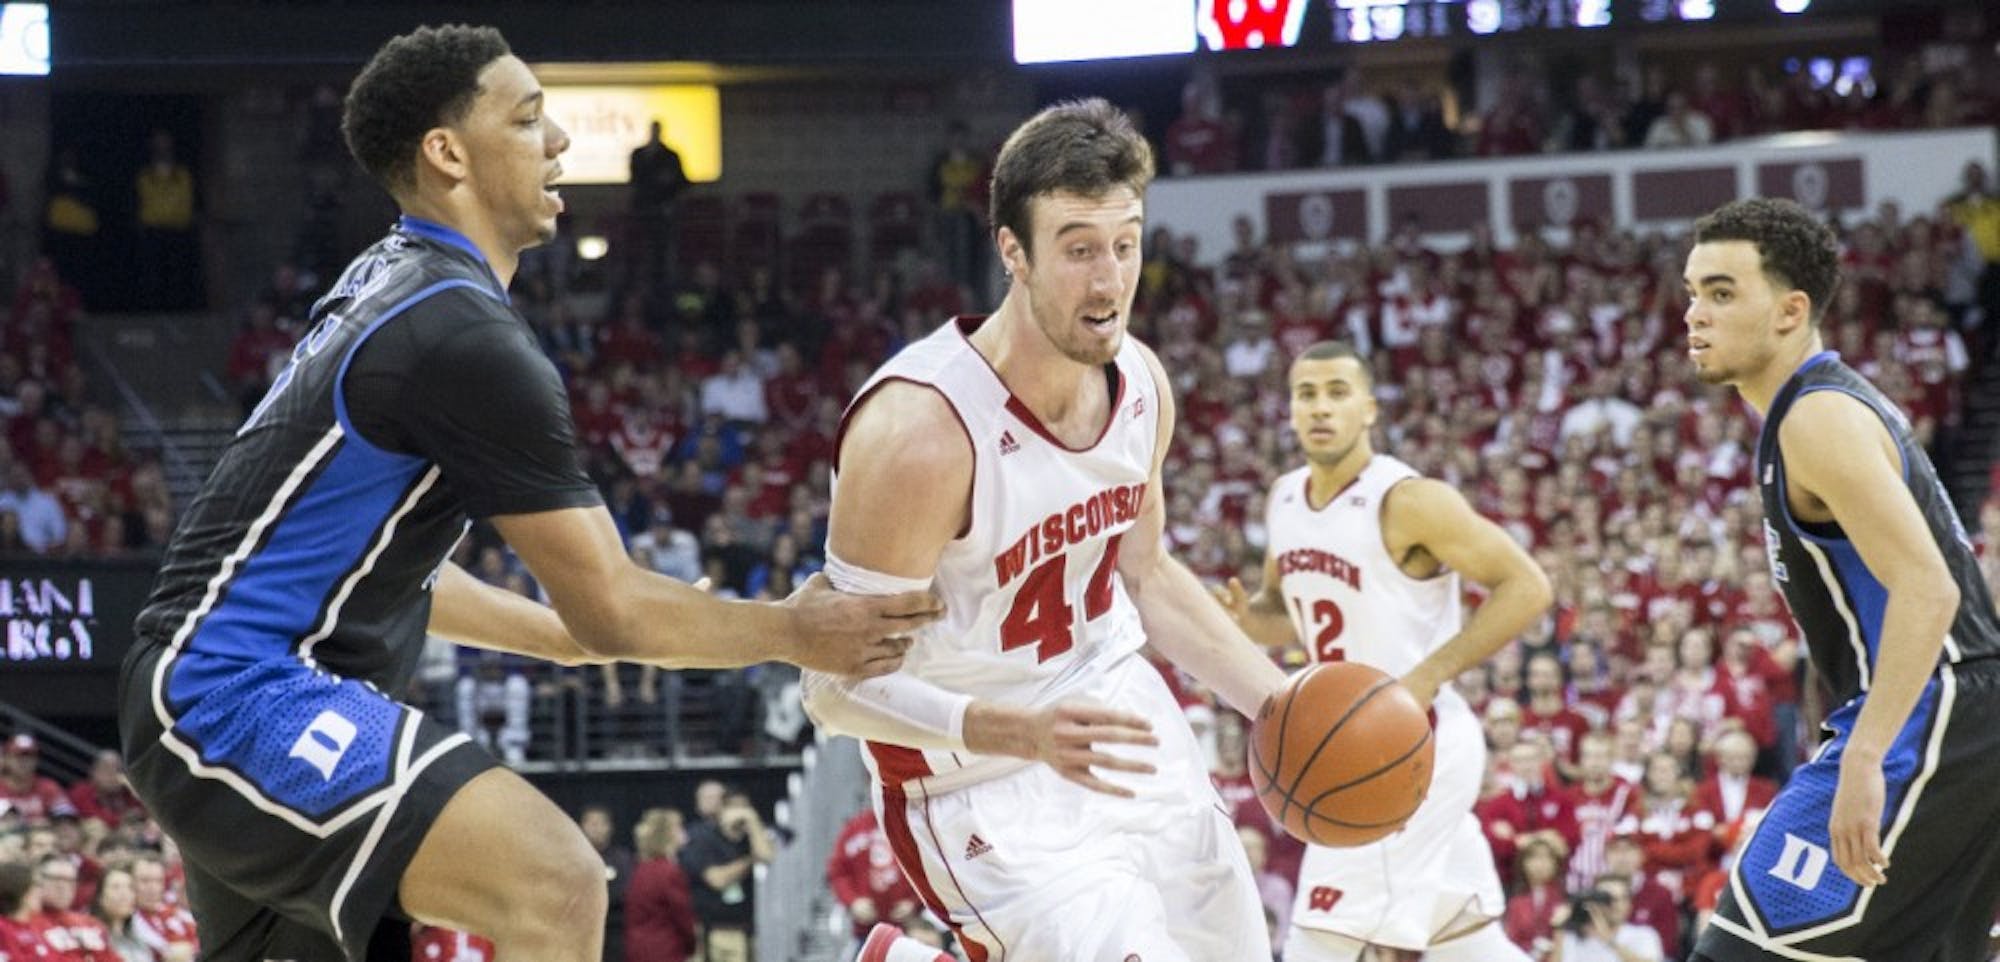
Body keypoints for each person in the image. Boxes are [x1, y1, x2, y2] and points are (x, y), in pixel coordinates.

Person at [113, 25, 936, 962]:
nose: (560, 142)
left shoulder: (397, 282)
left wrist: (558, 637)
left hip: (216, 688)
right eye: (530, 118)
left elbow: (384, 571)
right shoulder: (456, 333)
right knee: (559, 881)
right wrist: (795, 632)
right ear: (447, 152)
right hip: (238, 693)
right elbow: (617, 608)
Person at [803, 98, 1287, 960]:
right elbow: (830, 692)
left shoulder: (1140, 383)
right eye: (1077, 250)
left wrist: (1278, 703)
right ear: (1013, 252)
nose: (1109, 282)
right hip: (977, 773)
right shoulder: (922, 432)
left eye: (1125, 244)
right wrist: (1016, 731)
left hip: (1116, 714)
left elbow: (1145, 574)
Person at [1683, 197, 2000, 961]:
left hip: (1934, 714)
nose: (1696, 314)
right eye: (1693, 293)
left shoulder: (1815, 419)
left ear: (1792, 310)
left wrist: (1863, 756)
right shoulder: (1829, 404)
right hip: (1965, 718)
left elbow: (1931, 589)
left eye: (1723, 293)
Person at [1212, 341, 1551, 962]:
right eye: (1306, 394)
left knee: (1320, 941)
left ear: (1369, 408)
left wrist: (1424, 676)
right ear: (1288, 410)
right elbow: (1291, 617)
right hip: (1348, 742)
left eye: (1338, 393)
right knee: (1468, 946)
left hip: (1406, 743)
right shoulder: (1284, 497)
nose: (1321, 407)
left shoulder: (1410, 500)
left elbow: (1528, 586)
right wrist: (1244, 620)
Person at [676, 787, 770, 962]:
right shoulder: (703, 837)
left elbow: (766, 856)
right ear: (723, 809)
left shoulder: (748, 838)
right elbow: (717, 879)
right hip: (713, 929)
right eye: (735, 808)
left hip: (746, 927)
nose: (740, 814)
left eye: (745, 809)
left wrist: (753, 822)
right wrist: (749, 861)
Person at [623, 808, 696, 962]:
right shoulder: (669, 872)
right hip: (665, 950)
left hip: (637, 949)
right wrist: (692, 944)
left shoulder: (640, 869)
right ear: (668, 834)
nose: (684, 832)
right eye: (679, 827)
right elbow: (682, 916)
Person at [1548, 875, 1664, 962]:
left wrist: (1609, 940)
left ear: (1629, 904)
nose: (1614, 905)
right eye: (1607, 898)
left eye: (1620, 899)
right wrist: (1559, 931)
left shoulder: (1643, 935)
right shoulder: (1573, 936)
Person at [627, 119, 686, 288]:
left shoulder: (670, 157)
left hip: (664, 214)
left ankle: (662, 283)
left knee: (663, 252)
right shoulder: (639, 155)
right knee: (642, 250)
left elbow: (680, 182)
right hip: (642, 212)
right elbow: (635, 181)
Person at [89, 863, 151, 962]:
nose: (124, 893)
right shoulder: (91, 939)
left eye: (130, 887)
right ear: (100, 897)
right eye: (116, 887)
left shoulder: (140, 942)